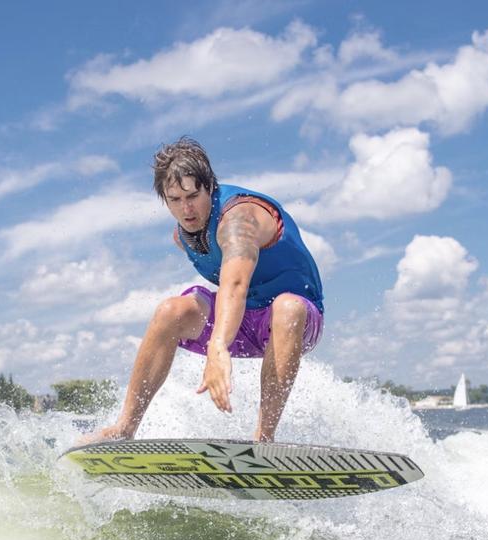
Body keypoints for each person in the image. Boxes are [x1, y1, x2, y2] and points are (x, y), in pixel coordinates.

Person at [89, 137, 324, 443]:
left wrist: (218, 346)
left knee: (287, 307)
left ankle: (264, 439)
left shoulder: (239, 220)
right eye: (175, 199)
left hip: (295, 323)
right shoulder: (182, 237)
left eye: (193, 195)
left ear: (210, 187)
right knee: (170, 311)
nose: (186, 208)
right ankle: (124, 428)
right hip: (244, 322)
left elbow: (235, 284)